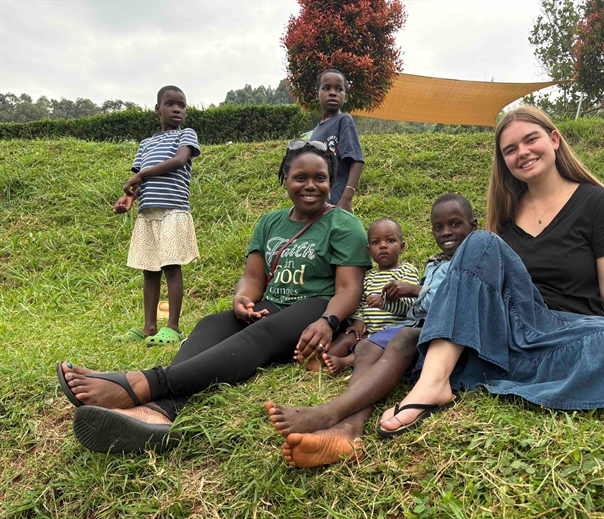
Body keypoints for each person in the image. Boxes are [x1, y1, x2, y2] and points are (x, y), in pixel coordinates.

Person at [378, 106, 604, 436]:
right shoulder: (504, 218)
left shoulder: (597, 203)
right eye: (510, 150)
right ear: (504, 162)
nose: (522, 153)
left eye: (530, 140)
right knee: (480, 242)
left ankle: (494, 370)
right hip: (514, 329)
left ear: (554, 139)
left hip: (565, 333)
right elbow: (483, 290)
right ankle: (434, 383)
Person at [57, 140, 372, 454]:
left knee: (259, 334)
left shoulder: (344, 224)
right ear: (285, 178)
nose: (311, 186)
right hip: (273, 305)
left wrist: (328, 321)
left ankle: (142, 384)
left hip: (318, 310)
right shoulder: (270, 222)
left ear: (330, 180)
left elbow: (349, 288)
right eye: (300, 177)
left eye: (320, 178)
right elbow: (253, 277)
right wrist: (242, 299)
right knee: (212, 324)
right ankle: (161, 409)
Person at [264, 194, 477, 467]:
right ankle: (348, 431)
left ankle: (330, 413)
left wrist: (414, 291)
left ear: (473, 226)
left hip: (446, 337)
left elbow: (455, 300)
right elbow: (419, 309)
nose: (446, 232)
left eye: (455, 224)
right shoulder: (434, 264)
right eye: (438, 227)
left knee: (401, 336)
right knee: (366, 346)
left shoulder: (474, 258)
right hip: (420, 329)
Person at [111, 85, 200, 346]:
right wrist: (130, 197)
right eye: (170, 104)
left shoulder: (186, 135)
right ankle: (149, 326)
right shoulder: (146, 144)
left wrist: (141, 174)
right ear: (157, 109)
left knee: (171, 266)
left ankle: (172, 327)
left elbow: (179, 161)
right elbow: (139, 184)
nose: (177, 109)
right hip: (147, 213)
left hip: (173, 210)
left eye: (182, 105)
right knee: (149, 270)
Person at [322, 217, 420, 375]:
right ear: (369, 250)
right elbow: (360, 303)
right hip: (370, 330)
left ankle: (345, 362)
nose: (383, 245)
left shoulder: (407, 271)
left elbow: (410, 305)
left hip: (395, 329)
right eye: (376, 242)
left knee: (375, 348)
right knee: (346, 338)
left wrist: (384, 303)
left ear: (401, 247)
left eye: (390, 240)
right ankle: (321, 359)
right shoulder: (368, 278)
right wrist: (359, 320)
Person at [310, 69, 364, 213]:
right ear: (317, 94)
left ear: (345, 97)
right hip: (317, 203)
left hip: (337, 203)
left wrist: (346, 198)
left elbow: (357, 161)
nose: (333, 93)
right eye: (326, 88)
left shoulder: (344, 120)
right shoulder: (315, 132)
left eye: (339, 89)